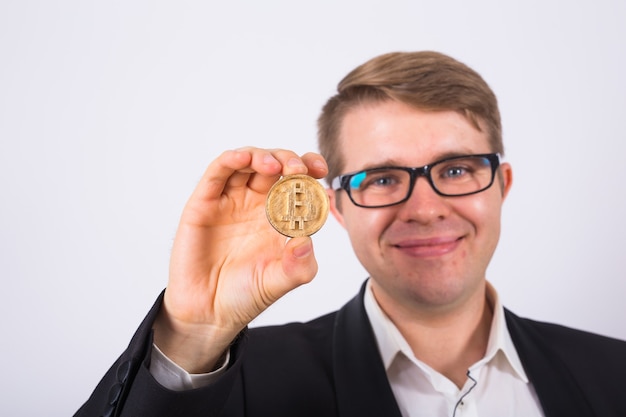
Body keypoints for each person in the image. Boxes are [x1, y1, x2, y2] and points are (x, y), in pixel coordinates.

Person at [74, 51, 626, 417]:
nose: (426, 208)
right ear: (334, 206)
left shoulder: (613, 374)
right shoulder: (236, 385)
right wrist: (194, 333)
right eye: (383, 178)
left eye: (457, 169)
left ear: (500, 185)